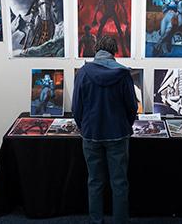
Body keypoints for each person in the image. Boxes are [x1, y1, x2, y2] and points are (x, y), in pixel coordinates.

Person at [72, 35, 138, 224]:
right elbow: (132, 106)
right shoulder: (124, 74)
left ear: (96, 49)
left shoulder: (83, 73)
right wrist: (126, 125)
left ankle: (96, 221)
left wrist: (83, 127)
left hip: (91, 134)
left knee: (94, 181)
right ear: (114, 51)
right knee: (119, 183)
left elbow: (77, 108)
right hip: (118, 134)